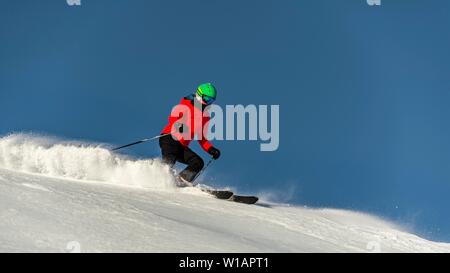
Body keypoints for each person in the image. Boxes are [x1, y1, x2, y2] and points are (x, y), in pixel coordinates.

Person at [160, 83, 221, 187]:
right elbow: (172, 118)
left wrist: (211, 149)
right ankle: (158, 177)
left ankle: (180, 181)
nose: (208, 102)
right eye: (206, 99)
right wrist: (179, 126)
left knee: (197, 162)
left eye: (211, 101)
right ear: (199, 95)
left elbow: (202, 138)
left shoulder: (205, 116)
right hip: (169, 138)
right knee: (170, 158)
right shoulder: (186, 104)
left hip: (181, 145)